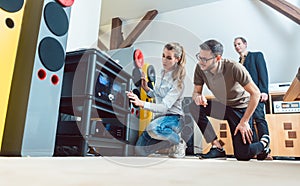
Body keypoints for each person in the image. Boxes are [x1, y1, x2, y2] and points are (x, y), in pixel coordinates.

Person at [189, 39, 270, 161]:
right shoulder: (200, 68)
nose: (200, 62)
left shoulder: (234, 67)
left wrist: (244, 121)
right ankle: (217, 147)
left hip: (240, 108)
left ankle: (264, 143)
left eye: (205, 59)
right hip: (222, 107)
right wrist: (198, 97)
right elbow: (196, 92)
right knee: (192, 106)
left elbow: (256, 93)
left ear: (217, 58)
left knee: (243, 155)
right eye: (199, 57)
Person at [127, 42, 187, 158]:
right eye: (163, 56)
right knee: (140, 151)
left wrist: (141, 103)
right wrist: (147, 89)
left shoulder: (178, 83)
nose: (164, 60)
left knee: (153, 128)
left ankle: (179, 142)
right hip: (160, 118)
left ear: (177, 59)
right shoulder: (163, 73)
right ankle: (169, 144)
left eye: (169, 58)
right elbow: (158, 96)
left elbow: (164, 107)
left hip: (174, 119)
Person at [233, 37, 272, 160]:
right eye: (235, 45)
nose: (237, 46)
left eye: (239, 44)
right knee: (248, 122)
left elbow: (263, 73)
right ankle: (255, 149)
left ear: (245, 44)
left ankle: (266, 150)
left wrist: (264, 91)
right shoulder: (238, 63)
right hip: (244, 98)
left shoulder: (256, 56)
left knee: (260, 119)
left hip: (257, 94)